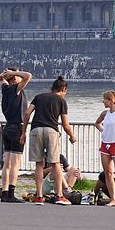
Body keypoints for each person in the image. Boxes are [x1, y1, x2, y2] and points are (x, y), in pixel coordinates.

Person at [28, 76, 74, 205]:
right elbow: (65, 124)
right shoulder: (61, 101)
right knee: (55, 164)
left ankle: (39, 196)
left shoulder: (39, 97)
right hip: (51, 131)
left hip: (35, 130)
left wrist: (23, 132)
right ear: (64, 89)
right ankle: (59, 195)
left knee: (38, 164)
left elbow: (27, 113)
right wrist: (72, 136)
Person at [0, 66, 32, 202]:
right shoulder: (15, 89)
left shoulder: (5, 89)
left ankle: (4, 192)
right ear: (14, 78)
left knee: (7, 164)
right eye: (17, 75)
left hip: (7, 128)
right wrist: (12, 73)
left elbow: (0, 79)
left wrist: (4, 75)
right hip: (17, 128)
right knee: (15, 163)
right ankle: (11, 193)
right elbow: (28, 75)